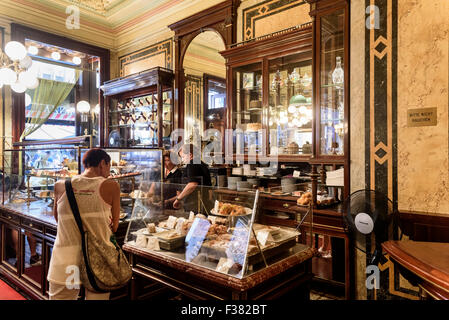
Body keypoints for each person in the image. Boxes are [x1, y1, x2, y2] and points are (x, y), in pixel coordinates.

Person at [47, 148, 120, 300]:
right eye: (109, 166)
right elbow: (114, 227)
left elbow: (58, 218)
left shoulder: (61, 185)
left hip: (65, 260)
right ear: (102, 163)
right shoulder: (111, 186)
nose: (109, 171)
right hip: (99, 260)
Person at [172, 144, 212, 212]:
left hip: (194, 204)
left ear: (190, 155)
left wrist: (178, 199)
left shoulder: (192, 164)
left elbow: (192, 184)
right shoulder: (201, 163)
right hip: (202, 202)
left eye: (183, 157)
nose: (182, 160)